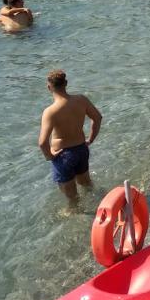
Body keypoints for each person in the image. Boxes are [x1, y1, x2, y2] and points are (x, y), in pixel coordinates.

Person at [38, 69, 102, 209]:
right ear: (66, 83)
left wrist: (49, 156)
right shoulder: (81, 100)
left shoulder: (50, 111)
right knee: (87, 185)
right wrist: (90, 139)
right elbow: (97, 118)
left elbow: (42, 143)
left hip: (62, 156)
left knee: (72, 199)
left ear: (49, 87)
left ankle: (79, 222)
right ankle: (101, 206)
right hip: (81, 149)